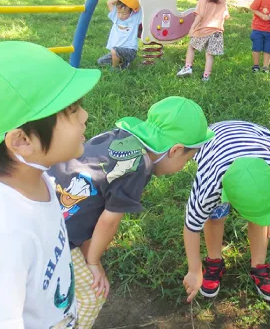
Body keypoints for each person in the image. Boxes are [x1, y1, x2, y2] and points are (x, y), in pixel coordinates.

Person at [0, 41, 103, 328]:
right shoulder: (4, 238)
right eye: (72, 110)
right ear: (21, 141)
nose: (85, 116)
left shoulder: (36, 176)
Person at [50, 96, 212, 328]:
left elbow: (90, 204)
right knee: (92, 294)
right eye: (188, 160)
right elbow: (108, 219)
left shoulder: (118, 138)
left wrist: (89, 254)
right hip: (59, 238)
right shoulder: (139, 165)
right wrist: (94, 261)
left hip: (47, 208)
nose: (183, 167)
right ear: (175, 151)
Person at [182, 120, 270, 303]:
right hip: (213, 141)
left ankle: (259, 265)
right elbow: (191, 227)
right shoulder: (209, 188)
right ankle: (214, 262)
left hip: (256, 134)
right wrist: (194, 269)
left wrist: (268, 218)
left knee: (258, 216)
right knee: (215, 216)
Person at [177, 0, 229, 81]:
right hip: (217, 33)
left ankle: (187, 67)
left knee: (191, 47)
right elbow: (224, 16)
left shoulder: (203, 0)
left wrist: (192, 28)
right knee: (209, 55)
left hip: (202, 31)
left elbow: (199, 16)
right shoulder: (223, 1)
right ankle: (206, 76)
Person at [97, 0, 142, 70]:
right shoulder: (115, 16)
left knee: (114, 51)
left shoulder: (135, 18)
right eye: (119, 12)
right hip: (117, 51)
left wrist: (135, 4)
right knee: (101, 61)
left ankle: (115, 68)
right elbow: (109, 2)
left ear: (131, 12)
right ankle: (124, 63)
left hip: (130, 50)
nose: (120, 16)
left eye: (124, 14)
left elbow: (142, 8)